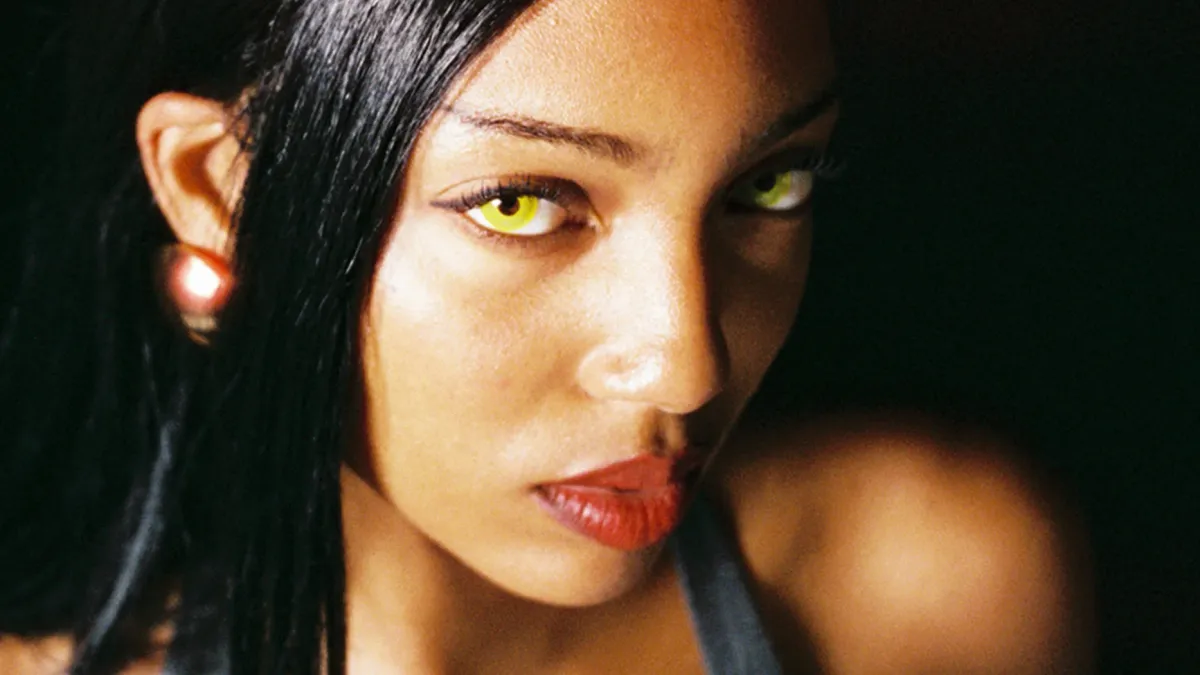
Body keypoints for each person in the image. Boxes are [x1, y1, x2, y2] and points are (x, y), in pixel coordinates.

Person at [0, 0, 1092, 672]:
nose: (686, 364)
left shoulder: (925, 591)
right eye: (521, 204)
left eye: (769, 185)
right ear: (221, 191)